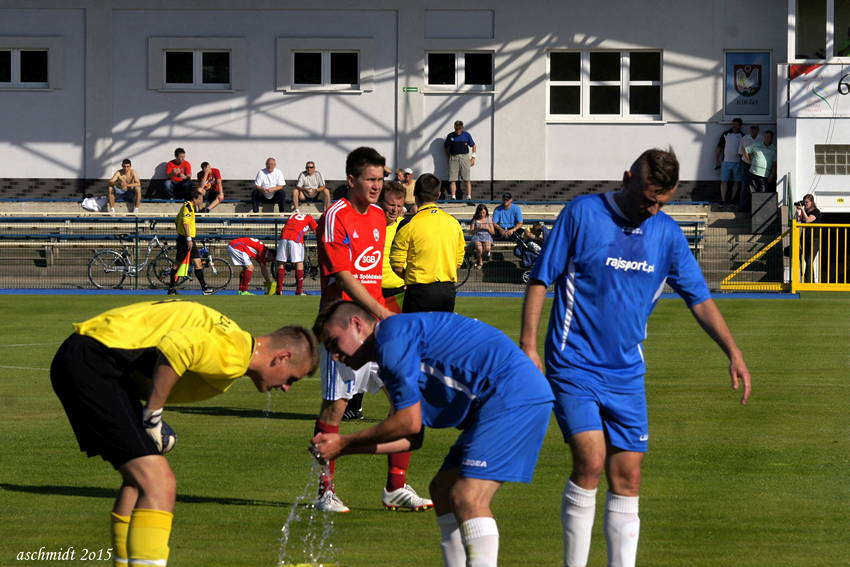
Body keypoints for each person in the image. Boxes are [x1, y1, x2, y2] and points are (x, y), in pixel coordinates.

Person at [519, 148, 752, 567]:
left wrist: (732, 351)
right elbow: (540, 280)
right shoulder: (582, 213)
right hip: (573, 364)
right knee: (590, 460)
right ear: (627, 177)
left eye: (662, 201)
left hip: (627, 373)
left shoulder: (667, 234)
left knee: (628, 476)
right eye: (648, 198)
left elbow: (699, 298)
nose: (653, 208)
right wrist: (529, 345)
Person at [50, 300, 318, 567]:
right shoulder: (236, 354)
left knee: (138, 482)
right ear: (281, 357)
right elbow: (177, 348)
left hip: (94, 358)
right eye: (292, 378)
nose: (286, 388)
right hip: (96, 362)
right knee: (159, 484)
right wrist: (153, 415)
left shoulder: (233, 337)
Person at [312, 301, 554, 567]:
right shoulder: (392, 345)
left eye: (335, 342)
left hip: (514, 394)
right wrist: (345, 449)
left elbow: (409, 423)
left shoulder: (391, 340)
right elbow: (412, 439)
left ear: (357, 324)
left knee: (468, 496)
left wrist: (345, 441)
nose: (334, 356)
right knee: (442, 489)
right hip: (499, 400)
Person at [313, 146, 430, 513]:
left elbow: (373, 273)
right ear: (351, 180)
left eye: (381, 179)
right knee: (336, 407)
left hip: (379, 327)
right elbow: (345, 276)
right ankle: (325, 492)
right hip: (343, 327)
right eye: (371, 179)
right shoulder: (336, 215)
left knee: (406, 400)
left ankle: (396, 486)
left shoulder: (379, 216)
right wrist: (381, 310)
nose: (377, 186)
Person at [343, 181, 408, 423]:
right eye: (391, 204)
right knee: (362, 351)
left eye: (399, 206)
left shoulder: (405, 226)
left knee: (389, 354)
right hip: (369, 295)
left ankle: (403, 404)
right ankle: (355, 406)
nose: (395, 210)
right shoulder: (372, 221)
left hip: (396, 296)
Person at [390, 173, 466, 313]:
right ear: (438, 195)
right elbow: (459, 261)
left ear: (414, 193)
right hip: (447, 291)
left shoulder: (409, 224)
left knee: (415, 334)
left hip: (419, 290)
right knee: (441, 335)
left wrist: (410, 277)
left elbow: (396, 264)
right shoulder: (453, 223)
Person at [167, 189, 212, 296]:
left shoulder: (188, 207)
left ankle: (204, 288)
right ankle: (171, 288)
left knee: (197, 263)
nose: (201, 200)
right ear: (194, 198)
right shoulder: (188, 207)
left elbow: (176, 221)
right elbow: (185, 223)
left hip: (187, 239)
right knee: (177, 265)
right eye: (200, 198)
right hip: (186, 240)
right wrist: (188, 239)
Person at [275, 212, 318, 296]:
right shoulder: (309, 217)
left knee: (281, 263)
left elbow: (291, 225)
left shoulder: (292, 215)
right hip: (295, 239)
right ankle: (299, 291)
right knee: (299, 263)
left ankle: (279, 290)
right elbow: (317, 231)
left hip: (283, 237)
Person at [444, 120, 477, 200]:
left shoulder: (466, 135)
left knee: (466, 178)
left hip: (464, 157)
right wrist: (449, 156)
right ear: (454, 128)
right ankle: (453, 196)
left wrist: (473, 157)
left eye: (459, 129)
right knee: (452, 178)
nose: (457, 130)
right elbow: (446, 147)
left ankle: (469, 196)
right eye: (456, 129)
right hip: (453, 158)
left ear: (462, 128)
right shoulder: (450, 136)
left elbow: (473, 146)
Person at [714, 118, 744, 206]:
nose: (734, 126)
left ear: (740, 126)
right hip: (726, 162)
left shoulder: (743, 136)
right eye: (733, 124)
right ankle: (723, 200)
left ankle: (732, 200)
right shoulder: (726, 134)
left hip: (738, 163)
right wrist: (717, 159)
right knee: (723, 181)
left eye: (736, 124)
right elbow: (719, 147)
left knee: (736, 182)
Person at [795, 193, 822, 283]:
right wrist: (798, 211)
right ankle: (811, 282)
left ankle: (808, 282)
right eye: (804, 202)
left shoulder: (816, 211)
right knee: (807, 261)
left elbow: (807, 220)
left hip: (815, 239)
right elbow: (797, 221)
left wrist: (802, 210)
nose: (805, 204)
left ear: (812, 202)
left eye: (807, 202)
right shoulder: (805, 212)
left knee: (810, 260)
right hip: (805, 239)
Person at [469, 204, 495, 269]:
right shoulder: (475, 219)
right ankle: (480, 262)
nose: (482, 214)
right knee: (479, 249)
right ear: (478, 212)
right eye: (480, 213)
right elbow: (471, 232)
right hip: (477, 236)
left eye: (483, 212)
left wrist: (487, 228)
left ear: (486, 211)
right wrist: (476, 229)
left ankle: (478, 257)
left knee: (487, 249)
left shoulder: (489, 218)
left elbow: (493, 232)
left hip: (487, 236)